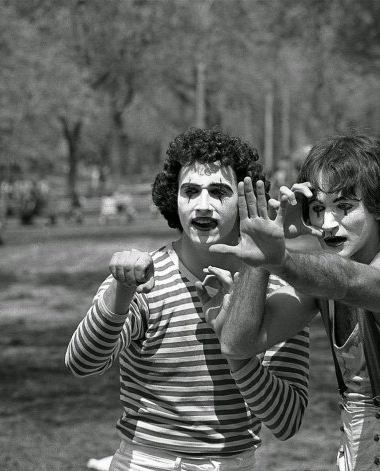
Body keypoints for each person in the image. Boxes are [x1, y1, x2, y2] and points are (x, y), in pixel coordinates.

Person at [210, 134, 380, 470]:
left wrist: (282, 260)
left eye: (345, 207)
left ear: (379, 205)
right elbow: (237, 343)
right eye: (318, 209)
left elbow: (353, 281)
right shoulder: (319, 281)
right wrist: (259, 256)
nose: (329, 223)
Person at [65, 127, 310, 471]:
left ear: (243, 202)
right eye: (191, 191)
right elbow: (82, 363)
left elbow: (286, 422)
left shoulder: (272, 292)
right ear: (173, 199)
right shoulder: (143, 279)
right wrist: (121, 292)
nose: (203, 204)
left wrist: (236, 345)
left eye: (219, 191)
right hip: (145, 461)